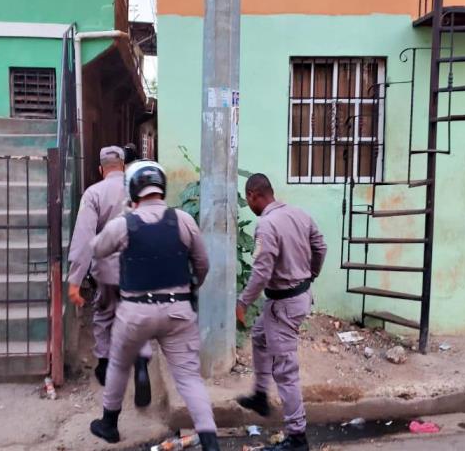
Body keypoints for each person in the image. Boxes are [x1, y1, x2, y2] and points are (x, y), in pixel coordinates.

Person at [88, 160, 220, 451]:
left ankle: (109, 424)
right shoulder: (183, 220)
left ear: (133, 191)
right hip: (178, 311)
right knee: (189, 378)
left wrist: (123, 217)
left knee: (119, 364)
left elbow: (97, 249)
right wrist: (190, 289)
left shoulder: (124, 224)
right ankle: (210, 442)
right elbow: (202, 263)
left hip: (135, 313)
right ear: (162, 187)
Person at [235, 173, 327, 451]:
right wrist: (311, 275)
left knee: (286, 371)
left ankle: (297, 437)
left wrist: (243, 302)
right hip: (295, 298)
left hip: (284, 305)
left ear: (253, 195)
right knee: (260, 336)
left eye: (248, 199)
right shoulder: (299, 214)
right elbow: (320, 246)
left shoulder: (266, 225)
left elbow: (262, 271)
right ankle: (260, 395)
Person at [66, 146, 153, 407]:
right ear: (124, 167)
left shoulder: (94, 194)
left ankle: (104, 366)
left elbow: (84, 239)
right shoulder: (139, 191)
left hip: (106, 271)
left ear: (100, 169)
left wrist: (75, 280)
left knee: (104, 315)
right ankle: (141, 365)